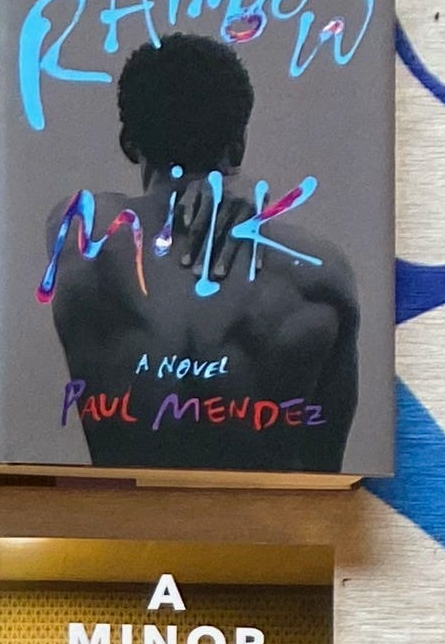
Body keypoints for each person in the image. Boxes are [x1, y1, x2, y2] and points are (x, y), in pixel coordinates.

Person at [43, 32, 360, 473]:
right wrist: (243, 187)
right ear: (239, 147)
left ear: (128, 142)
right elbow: (326, 467)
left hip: (122, 528)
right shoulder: (321, 274)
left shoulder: (83, 234)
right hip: (265, 532)